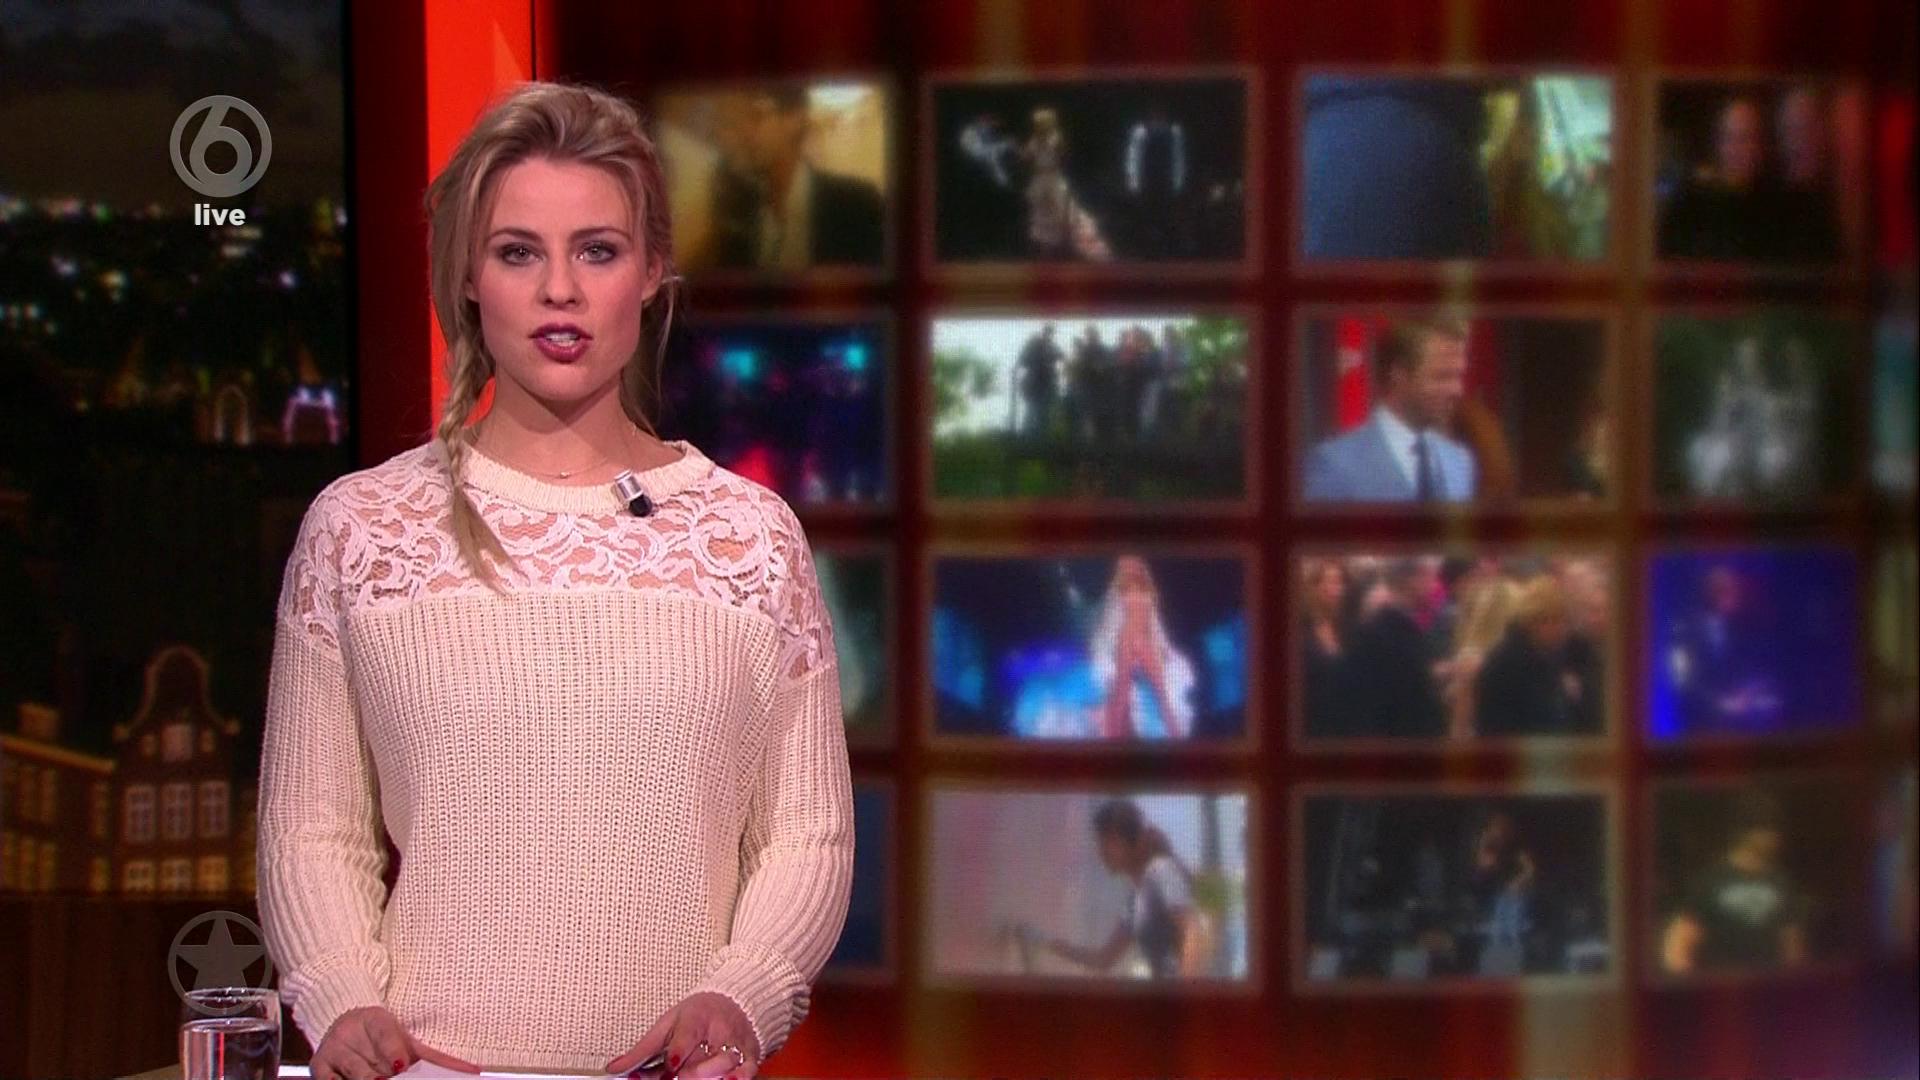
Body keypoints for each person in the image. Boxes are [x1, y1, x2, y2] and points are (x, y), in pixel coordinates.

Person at [255, 81, 854, 1078]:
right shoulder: (359, 530)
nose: (560, 291)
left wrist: (742, 996)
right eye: (518, 253)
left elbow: (806, 836)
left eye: (598, 251)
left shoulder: (752, 540)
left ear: (652, 271)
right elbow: (313, 831)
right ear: (469, 276)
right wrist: (342, 999)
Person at [1011, 799, 1215, 978]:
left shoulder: (1161, 871)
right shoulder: (1135, 900)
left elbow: (1192, 931)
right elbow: (1103, 960)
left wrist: (1185, 995)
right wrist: (1042, 941)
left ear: (1124, 841)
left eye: (1106, 842)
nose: (1100, 851)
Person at [1304, 318, 1477, 503]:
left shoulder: (1459, 461)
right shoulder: (1334, 464)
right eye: (1442, 377)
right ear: (1399, 375)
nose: (1457, 390)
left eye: (1458, 376)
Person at [713, 86, 884, 270]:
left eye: (756, 115)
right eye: (734, 122)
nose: (743, 133)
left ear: (794, 118)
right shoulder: (739, 214)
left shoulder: (858, 204)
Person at [1662, 793, 1811, 974]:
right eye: (1769, 829)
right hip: (1722, 985)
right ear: (1748, 832)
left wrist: (1792, 982)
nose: (1777, 837)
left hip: (1768, 986)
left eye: (1777, 830)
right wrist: (1693, 987)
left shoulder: (1781, 882)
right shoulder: (1712, 880)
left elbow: (1791, 944)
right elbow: (1679, 945)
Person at [1088, 555, 1195, 739]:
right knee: (1125, 681)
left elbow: (1156, 629)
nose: (1130, 567)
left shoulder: (1149, 594)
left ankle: (1170, 721)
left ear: (1141, 566)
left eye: (1134, 564)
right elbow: (1108, 631)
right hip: (1121, 646)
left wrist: (1165, 650)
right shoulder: (1115, 595)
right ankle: (1116, 725)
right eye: (1125, 565)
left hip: (1144, 647)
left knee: (1141, 646)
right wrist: (1114, 652)